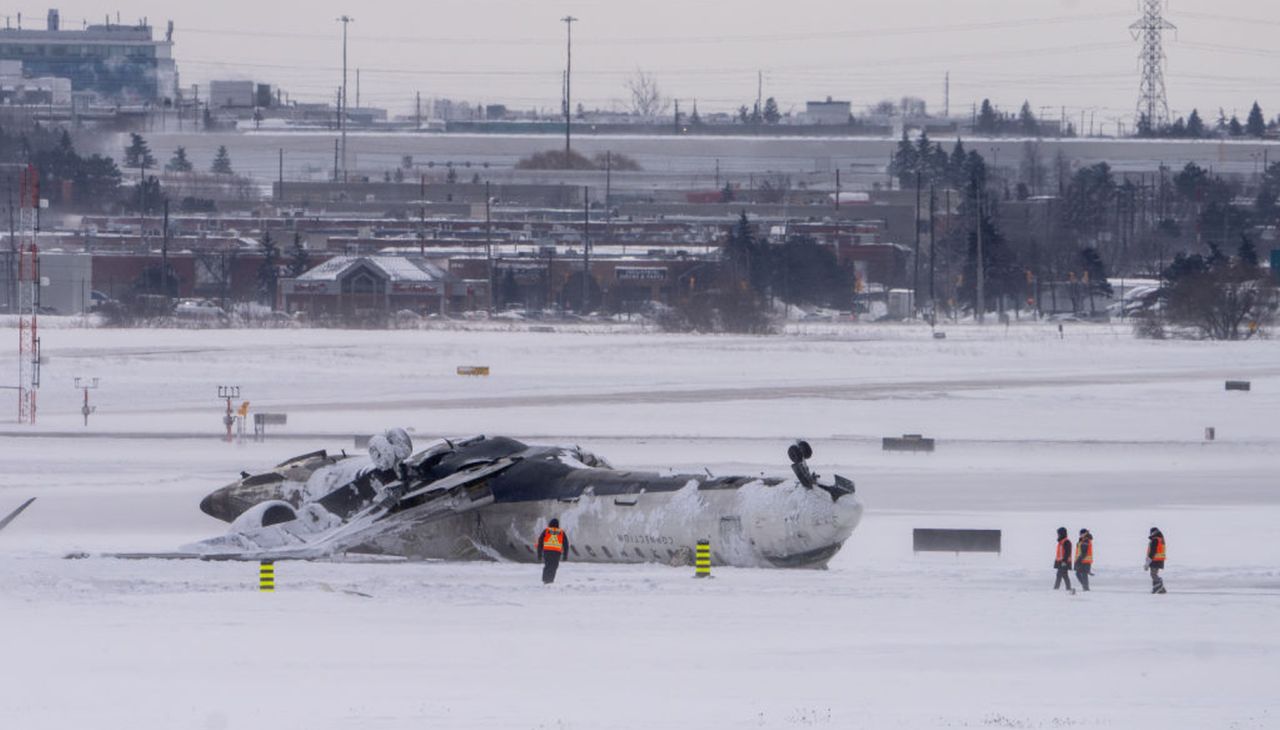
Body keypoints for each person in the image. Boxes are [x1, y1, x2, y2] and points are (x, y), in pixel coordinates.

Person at [536, 518, 568, 584]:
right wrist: (565, 555)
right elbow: (566, 544)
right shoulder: (561, 532)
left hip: (547, 552)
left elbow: (540, 542)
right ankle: (550, 580)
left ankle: (545, 580)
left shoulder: (546, 531)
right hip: (556, 553)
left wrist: (539, 553)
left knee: (547, 565)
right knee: (554, 566)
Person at [1145, 527, 1166, 594]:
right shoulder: (1161, 540)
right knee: (1154, 574)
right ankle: (1161, 589)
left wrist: (1148, 561)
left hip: (1155, 560)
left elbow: (1152, 551)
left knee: (1153, 574)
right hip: (1159, 560)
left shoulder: (1155, 540)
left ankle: (1158, 587)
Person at [1053, 526, 1074, 592]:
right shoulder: (1061, 542)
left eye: (1059, 533)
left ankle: (1056, 588)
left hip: (1064, 562)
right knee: (1064, 575)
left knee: (1060, 575)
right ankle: (1068, 588)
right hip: (1061, 562)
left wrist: (1064, 561)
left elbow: (1067, 552)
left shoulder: (1066, 542)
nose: (1058, 535)